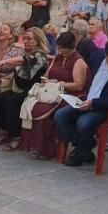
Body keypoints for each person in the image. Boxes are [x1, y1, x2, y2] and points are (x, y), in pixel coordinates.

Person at [54, 38, 108, 167]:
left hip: (103, 107)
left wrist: (93, 103)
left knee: (83, 123)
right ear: (106, 56)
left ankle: (81, 151)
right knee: (60, 116)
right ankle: (86, 147)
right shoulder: (97, 57)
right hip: (85, 100)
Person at [20, 30, 88, 159]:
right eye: (60, 49)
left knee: (45, 110)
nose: (62, 52)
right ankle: (37, 145)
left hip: (71, 95)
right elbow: (47, 75)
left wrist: (60, 83)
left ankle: (49, 148)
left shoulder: (78, 61)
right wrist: (46, 81)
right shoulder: (57, 58)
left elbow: (79, 85)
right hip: (53, 92)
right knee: (33, 106)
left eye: (65, 50)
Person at [0, 26, 49, 148]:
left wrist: (5, 61)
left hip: (33, 91)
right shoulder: (25, 53)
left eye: (30, 39)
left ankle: (16, 135)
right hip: (20, 88)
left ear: (38, 41)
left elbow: (24, 61)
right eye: (25, 39)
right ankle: (5, 129)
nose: (26, 41)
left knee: (11, 101)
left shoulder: (40, 55)